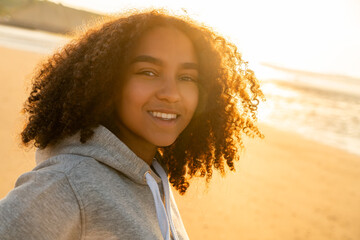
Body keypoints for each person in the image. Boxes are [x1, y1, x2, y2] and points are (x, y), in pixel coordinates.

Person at [0, 9, 264, 240]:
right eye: (148, 72)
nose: (171, 93)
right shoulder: (68, 183)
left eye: (187, 77)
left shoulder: (151, 177)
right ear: (106, 82)